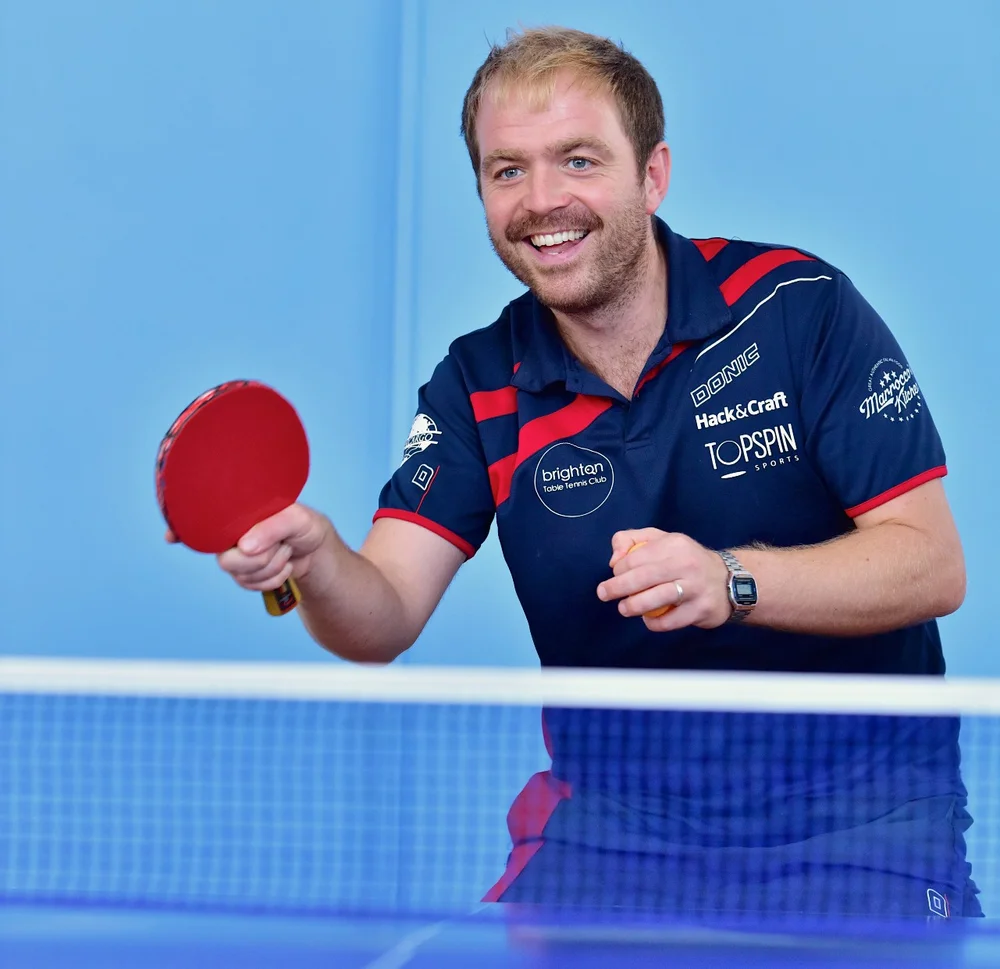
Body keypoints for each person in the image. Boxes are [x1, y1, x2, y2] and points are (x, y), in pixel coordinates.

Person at [181, 27, 980, 917]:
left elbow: (930, 564)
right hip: (617, 830)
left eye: (578, 159)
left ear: (653, 174)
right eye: (507, 170)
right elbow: (382, 617)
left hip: (858, 821)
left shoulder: (799, 310)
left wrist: (732, 578)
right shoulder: (478, 383)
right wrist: (319, 559)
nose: (542, 200)